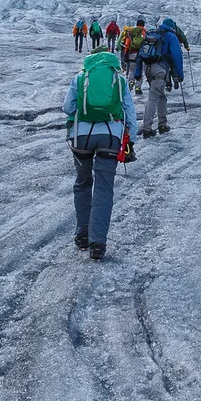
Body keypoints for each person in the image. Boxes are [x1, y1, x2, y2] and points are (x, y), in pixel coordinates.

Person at [61, 48, 135, 260]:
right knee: (104, 188)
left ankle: (82, 233)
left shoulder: (81, 77)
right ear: (111, 62)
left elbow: (68, 107)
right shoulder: (119, 80)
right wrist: (132, 141)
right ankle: (97, 244)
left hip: (81, 138)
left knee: (83, 183)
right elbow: (129, 111)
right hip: (110, 137)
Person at [134, 15, 188, 137]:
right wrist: (179, 74)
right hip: (160, 69)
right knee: (154, 97)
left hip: (148, 68)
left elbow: (140, 54)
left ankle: (162, 124)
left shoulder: (152, 34)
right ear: (172, 27)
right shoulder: (171, 36)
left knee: (161, 96)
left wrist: (138, 72)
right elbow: (176, 56)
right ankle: (147, 128)